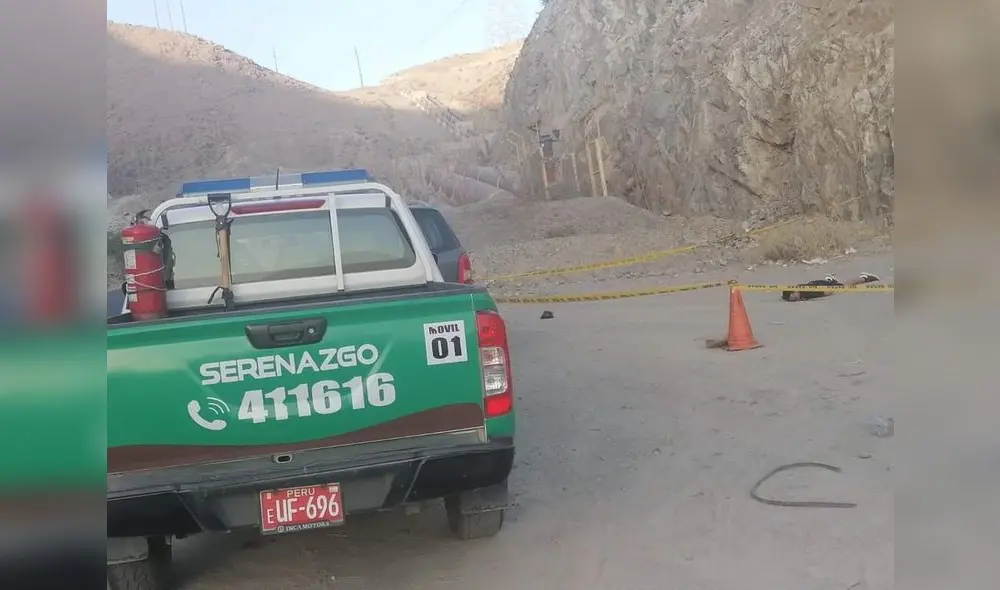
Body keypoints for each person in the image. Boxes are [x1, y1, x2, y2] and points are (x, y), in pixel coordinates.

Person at [781, 272, 880, 301]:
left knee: (845, 285)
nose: (795, 300)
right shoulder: (800, 289)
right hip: (817, 283)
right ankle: (831, 280)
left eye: (794, 298)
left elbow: (822, 292)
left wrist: (831, 291)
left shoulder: (806, 292)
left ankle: (864, 278)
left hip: (823, 287)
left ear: (794, 292)